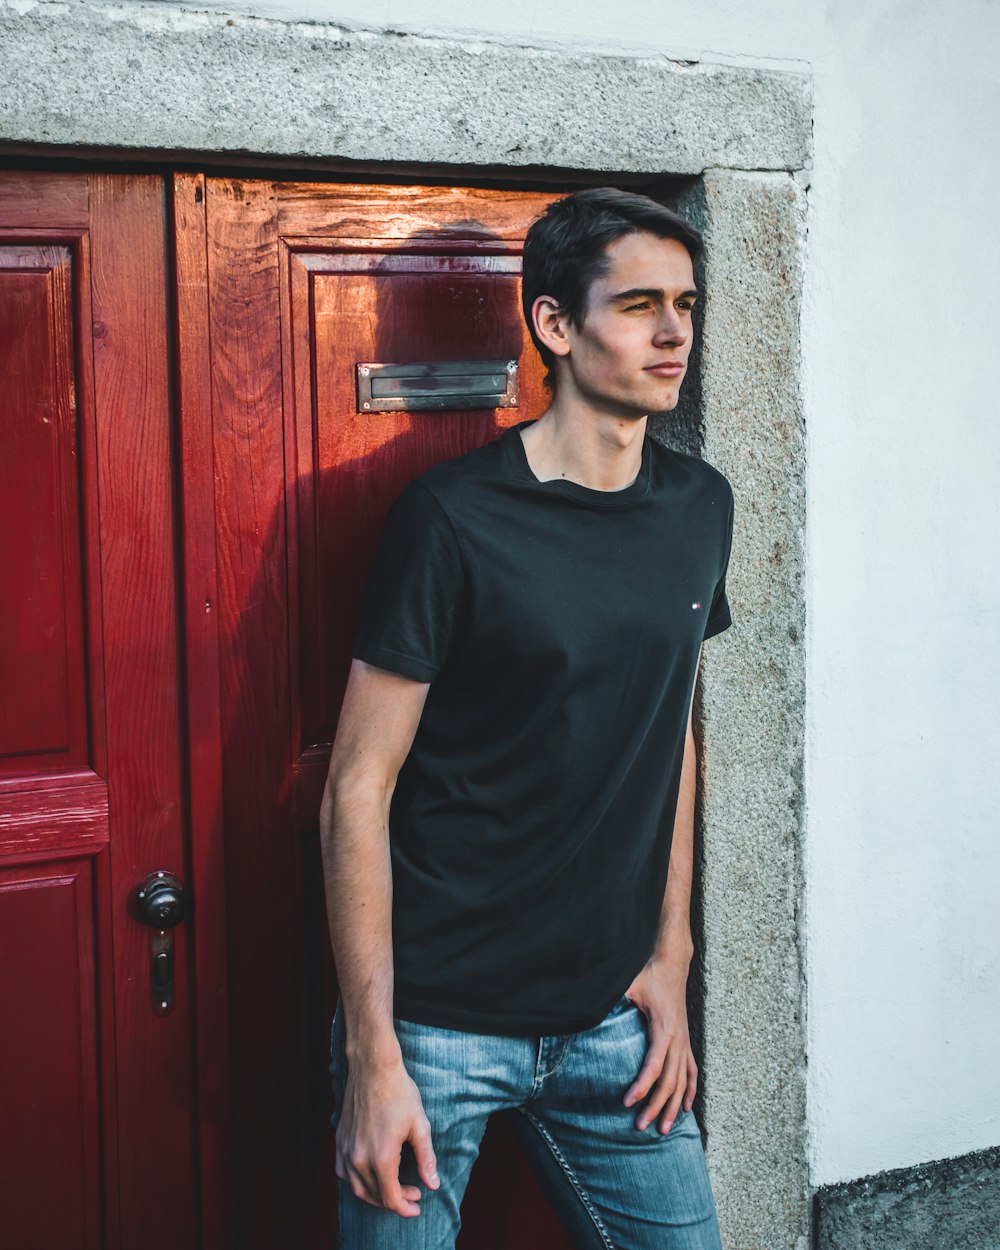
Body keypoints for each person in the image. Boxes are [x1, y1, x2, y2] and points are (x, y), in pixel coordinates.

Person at [319, 185, 734, 1249]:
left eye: (685, 303)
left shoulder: (700, 507)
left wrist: (671, 960)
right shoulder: (453, 518)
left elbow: (669, 730)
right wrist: (374, 1055)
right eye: (639, 303)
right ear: (553, 322)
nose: (673, 331)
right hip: (437, 1023)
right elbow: (356, 786)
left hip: (614, 1022)